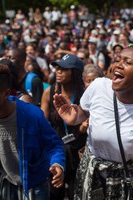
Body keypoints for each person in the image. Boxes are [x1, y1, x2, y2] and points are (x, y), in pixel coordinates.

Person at [53, 45, 133, 199]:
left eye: (128, 62)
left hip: (128, 179)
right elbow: (82, 113)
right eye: (118, 59)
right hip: (92, 175)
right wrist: (74, 117)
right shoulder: (98, 87)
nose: (118, 65)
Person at [0, 62, 65, 200]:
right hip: (4, 182)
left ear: (6, 93)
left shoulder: (32, 115)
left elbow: (54, 144)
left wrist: (57, 164)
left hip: (34, 185)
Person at [41, 54, 86, 200]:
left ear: (75, 73)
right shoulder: (49, 92)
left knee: (76, 193)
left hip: (79, 151)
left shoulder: (85, 95)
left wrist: (80, 130)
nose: (58, 71)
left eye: (64, 69)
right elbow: (43, 123)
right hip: (56, 150)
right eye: (57, 68)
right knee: (54, 192)